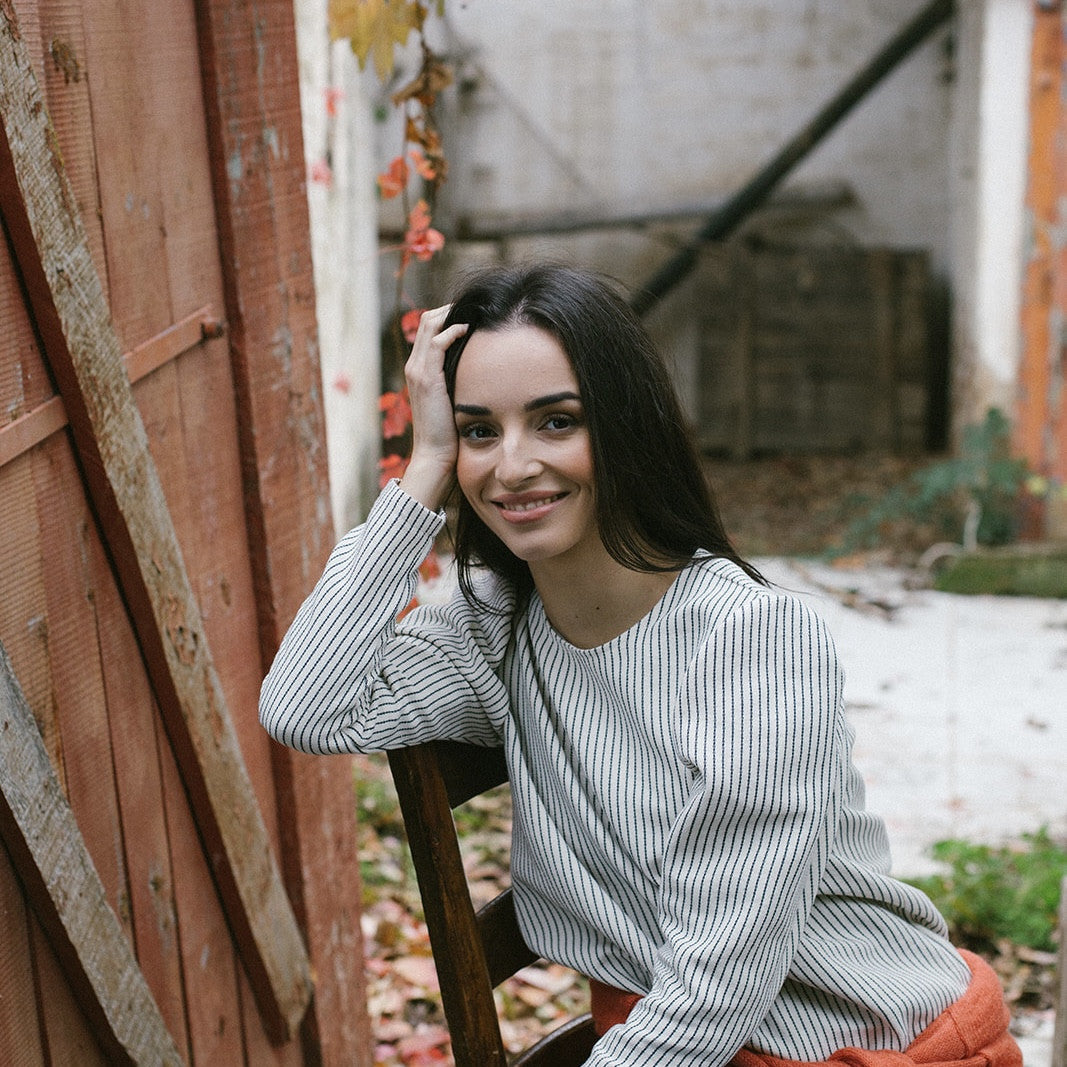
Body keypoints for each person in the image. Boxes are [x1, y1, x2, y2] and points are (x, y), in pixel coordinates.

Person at [260, 264, 1020, 1066]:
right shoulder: (493, 627)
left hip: (871, 1042)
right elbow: (305, 705)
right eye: (480, 431)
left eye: (555, 422)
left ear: (625, 426)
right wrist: (421, 473)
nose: (510, 466)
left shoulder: (751, 639)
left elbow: (717, 977)